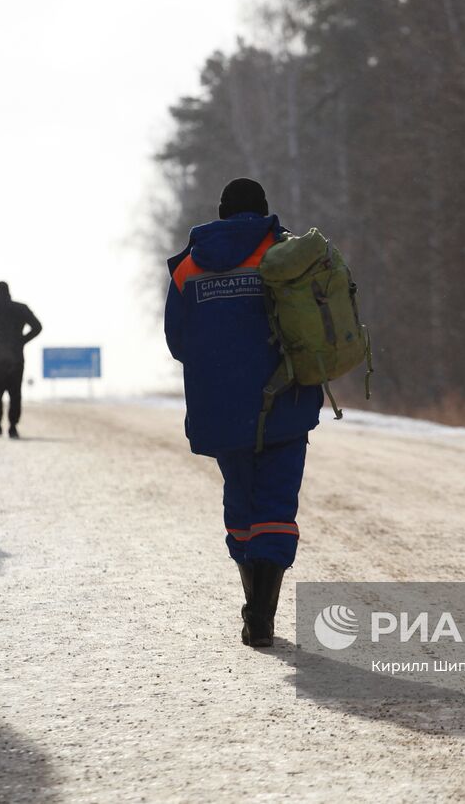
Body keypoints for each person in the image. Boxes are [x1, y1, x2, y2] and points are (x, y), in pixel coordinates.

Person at [164, 178, 323, 648]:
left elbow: (178, 342)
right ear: (263, 211)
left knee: (242, 502)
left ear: (219, 212)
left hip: (222, 408)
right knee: (276, 504)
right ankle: (262, 615)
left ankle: (253, 605)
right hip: (285, 400)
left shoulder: (188, 267)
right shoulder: (284, 252)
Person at [0, 281, 42, 438]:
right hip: (15, 358)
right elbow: (37, 327)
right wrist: (22, 341)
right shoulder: (20, 309)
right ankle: (12, 426)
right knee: (15, 393)